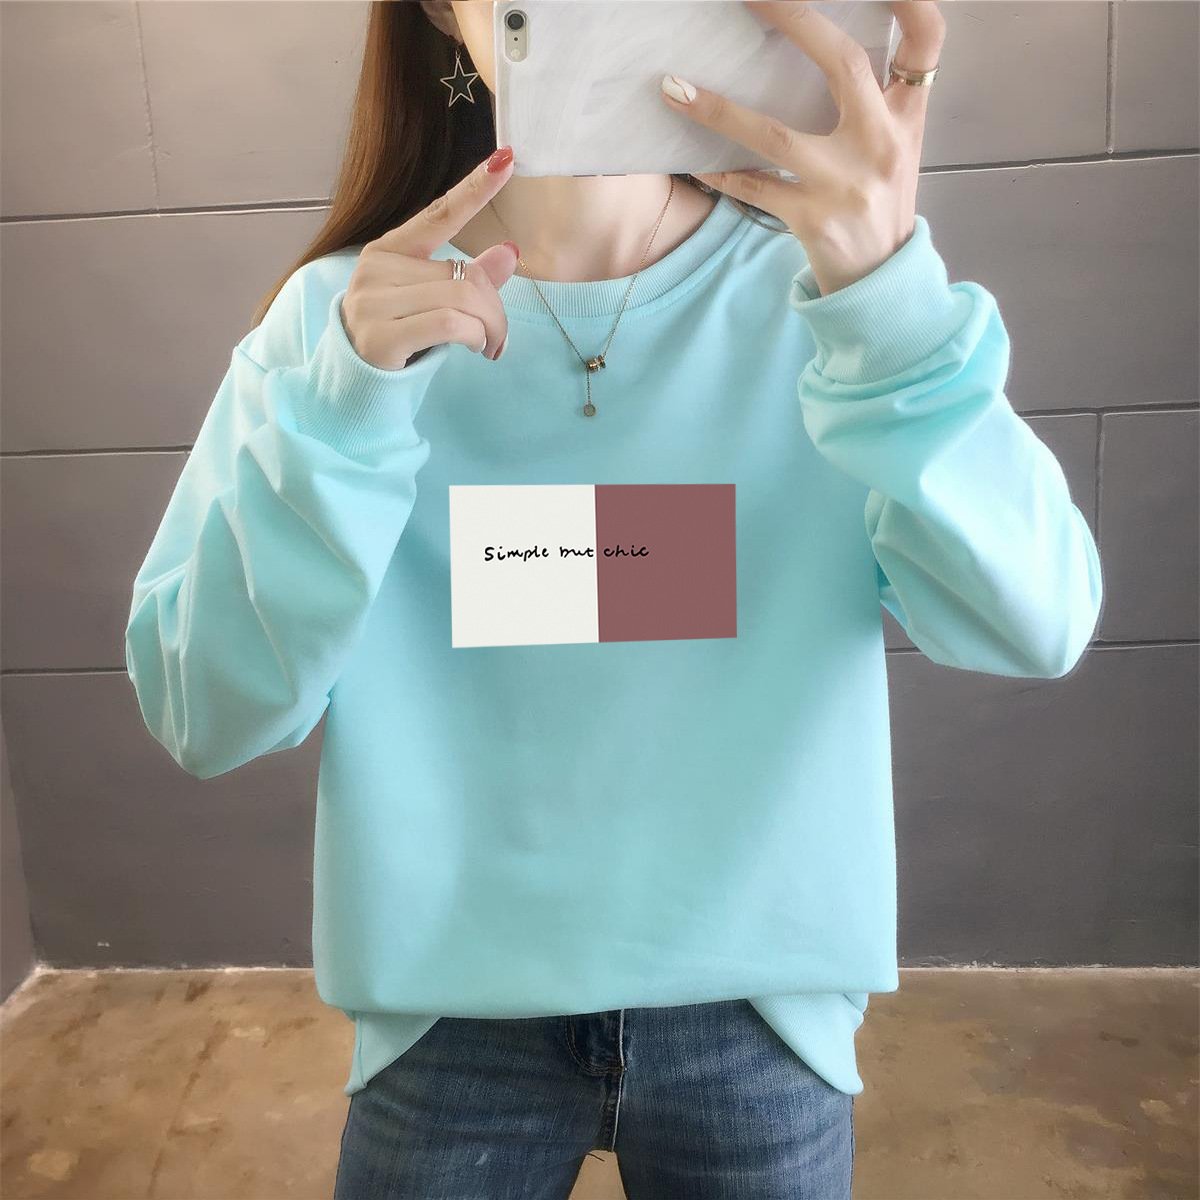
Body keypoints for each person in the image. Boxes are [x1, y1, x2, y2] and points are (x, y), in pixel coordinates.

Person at [123, 1, 1104, 1197]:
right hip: (448, 1017)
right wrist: (344, 419)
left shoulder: (833, 300)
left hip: (759, 1009)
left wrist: (889, 308)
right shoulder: (340, 327)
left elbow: (1035, 624)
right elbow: (205, 712)